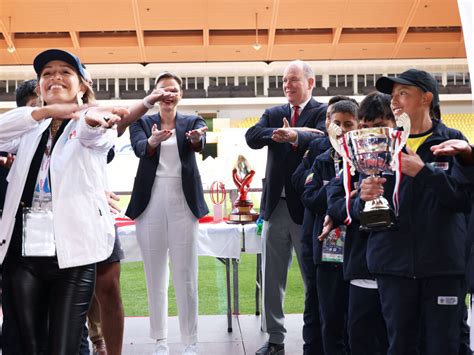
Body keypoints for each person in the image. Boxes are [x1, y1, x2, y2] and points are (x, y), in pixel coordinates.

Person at [0, 48, 128, 355]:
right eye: (47, 74)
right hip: (23, 252)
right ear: (40, 86)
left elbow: (92, 136)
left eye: (65, 72)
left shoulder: (92, 125)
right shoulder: (30, 128)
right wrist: (45, 112)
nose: (55, 77)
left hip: (73, 254)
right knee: (26, 344)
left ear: (82, 85)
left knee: (65, 345)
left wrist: (91, 119)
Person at [357, 69, 473, 354]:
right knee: (400, 346)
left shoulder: (455, 142)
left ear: (426, 98)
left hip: (442, 268)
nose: (394, 101)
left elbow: (461, 200)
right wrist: (364, 195)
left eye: (403, 93)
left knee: (443, 347)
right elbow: (366, 199)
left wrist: (424, 173)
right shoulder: (381, 143)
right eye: (393, 94)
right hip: (393, 267)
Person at [245, 60, 326, 355]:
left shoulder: (324, 112)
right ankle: (275, 339)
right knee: (271, 278)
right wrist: (275, 134)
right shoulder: (274, 113)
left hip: (305, 210)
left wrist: (296, 134)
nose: (287, 86)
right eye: (283, 81)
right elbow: (252, 136)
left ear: (310, 82)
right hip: (274, 209)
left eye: (293, 80)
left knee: (312, 278)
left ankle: (316, 339)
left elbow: (324, 140)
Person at [126, 71, 208, 355]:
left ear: (180, 95)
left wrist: (198, 138)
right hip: (151, 199)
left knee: (186, 273)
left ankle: (190, 341)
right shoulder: (142, 121)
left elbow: (200, 143)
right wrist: (152, 142)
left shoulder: (193, 121)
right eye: (163, 90)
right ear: (155, 94)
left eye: (173, 89)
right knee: (155, 272)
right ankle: (160, 339)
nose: (168, 94)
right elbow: (139, 148)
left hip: (183, 200)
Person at [325, 92, 394, 355]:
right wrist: (356, 203)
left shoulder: (406, 162)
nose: (370, 134)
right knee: (360, 342)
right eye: (365, 127)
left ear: (394, 125)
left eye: (379, 126)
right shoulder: (351, 163)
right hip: (361, 270)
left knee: (396, 342)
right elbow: (333, 202)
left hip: (398, 274)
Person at [291, 95, 356, 355]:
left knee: (354, 312)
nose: (340, 128)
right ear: (327, 122)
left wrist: (335, 194)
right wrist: (339, 197)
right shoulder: (319, 153)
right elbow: (306, 191)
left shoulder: (366, 156)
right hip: (320, 242)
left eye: (348, 123)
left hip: (355, 248)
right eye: (335, 121)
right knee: (319, 307)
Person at [0, 79, 39, 355]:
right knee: (16, 315)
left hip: (60, 244)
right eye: (38, 108)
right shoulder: (11, 142)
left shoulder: (70, 135)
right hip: (15, 239)